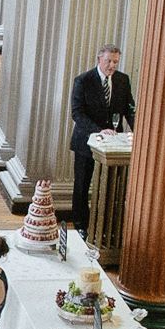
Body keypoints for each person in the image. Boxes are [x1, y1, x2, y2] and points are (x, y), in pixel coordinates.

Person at [69, 44, 135, 228]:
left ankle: (106, 224)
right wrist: (98, 130)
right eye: (109, 61)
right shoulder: (83, 80)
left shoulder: (123, 80)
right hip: (86, 141)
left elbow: (130, 109)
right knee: (82, 184)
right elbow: (77, 113)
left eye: (115, 62)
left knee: (112, 186)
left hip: (114, 144)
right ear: (99, 59)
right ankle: (80, 224)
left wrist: (138, 129)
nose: (112, 65)